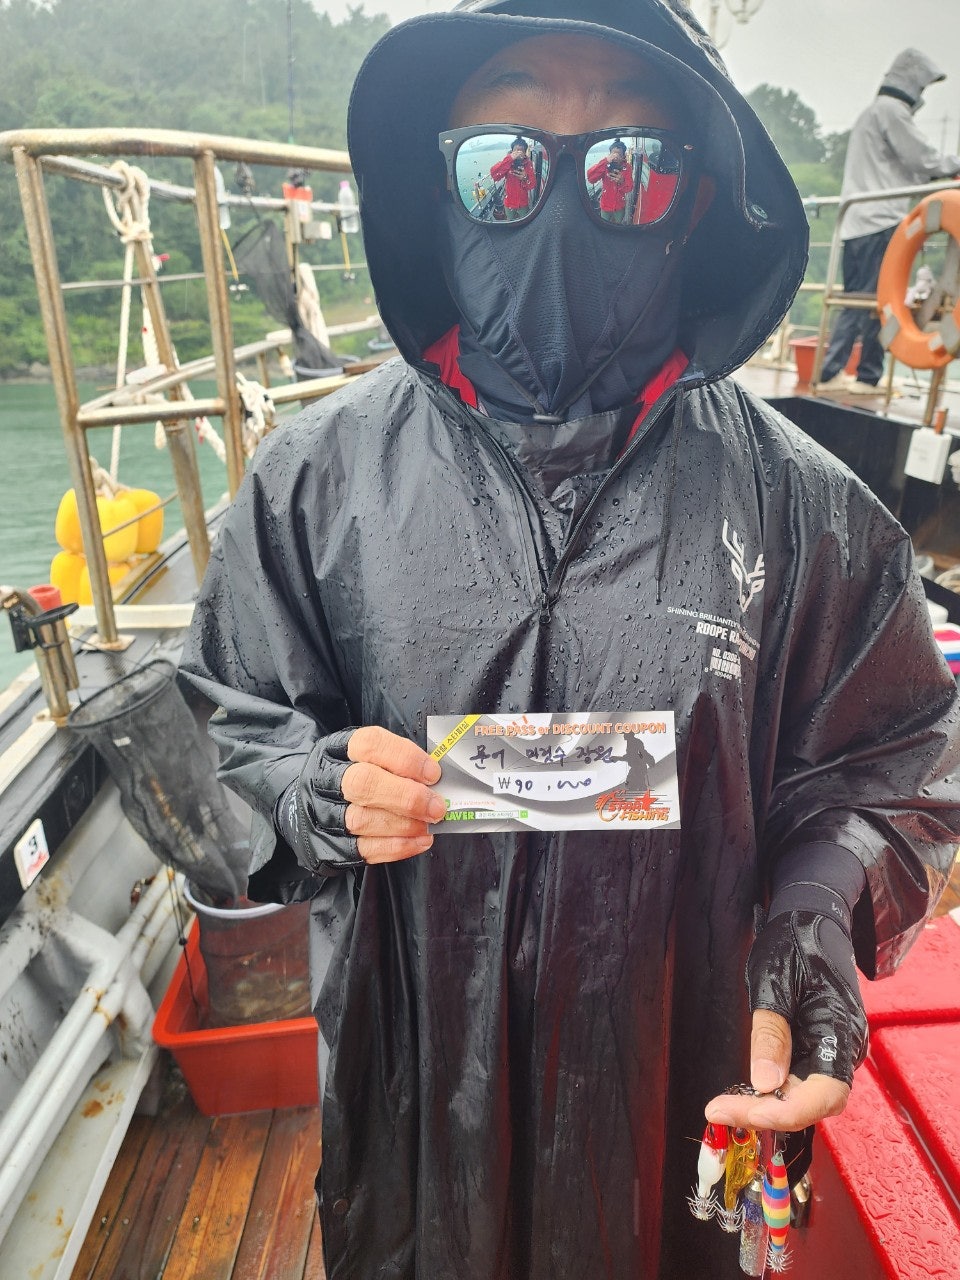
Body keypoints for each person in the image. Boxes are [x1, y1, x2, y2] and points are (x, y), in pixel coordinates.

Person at [180, 3, 960, 1276]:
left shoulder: (805, 508)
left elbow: (898, 756)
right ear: (440, 186)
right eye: (504, 162)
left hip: (678, 1100)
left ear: (693, 204)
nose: (557, 205)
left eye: (628, 168)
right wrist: (313, 790)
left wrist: (822, 905)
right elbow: (227, 721)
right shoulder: (312, 483)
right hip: (415, 1100)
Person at [818, 48, 960, 392]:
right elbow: (922, 160)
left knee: (855, 299)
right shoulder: (892, 112)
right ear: (913, 83)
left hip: (855, 223)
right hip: (881, 220)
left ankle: (831, 372)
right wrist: (953, 165)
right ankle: (865, 376)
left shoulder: (870, 113)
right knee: (877, 302)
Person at [586, 137, 633, 223]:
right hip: (605, 205)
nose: (616, 157)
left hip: (619, 206)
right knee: (604, 224)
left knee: (618, 225)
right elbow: (591, 178)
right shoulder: (604, 165)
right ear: (609, 154)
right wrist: (606, 161)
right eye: (613, 154)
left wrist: (622, 182)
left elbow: (629, 188)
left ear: (623, 156)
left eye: (619, 154)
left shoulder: (627, 167)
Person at [489, 135, 537, 219]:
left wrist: (525, 178)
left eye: (521, 151)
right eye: (516, 151)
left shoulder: (528, 164)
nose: (518, 154)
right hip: (509, 203)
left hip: (523, 203)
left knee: (524, 221)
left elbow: (532, 185)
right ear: (511, 152)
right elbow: (494, 175)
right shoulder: (506, 163)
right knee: (510, 221)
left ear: (525, 153)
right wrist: (510, 159)